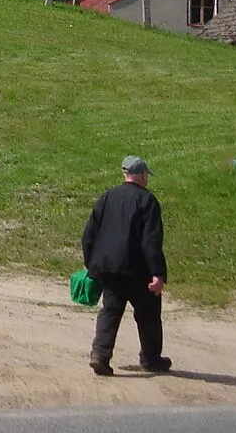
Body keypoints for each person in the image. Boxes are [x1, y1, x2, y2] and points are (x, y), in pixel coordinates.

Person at [80, 155, 170, 375]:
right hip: (139, 272)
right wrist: (157, 273)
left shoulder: (107, 197)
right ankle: (150, 359)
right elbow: (151, 241)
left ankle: (100, 354)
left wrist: (91, 265)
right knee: (148, 316)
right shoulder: (147, 201)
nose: (147, 179)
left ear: (125, 174)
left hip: (110, 269)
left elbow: (89, 234)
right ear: (139, 175)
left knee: (110, 312)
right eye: (146, 175)